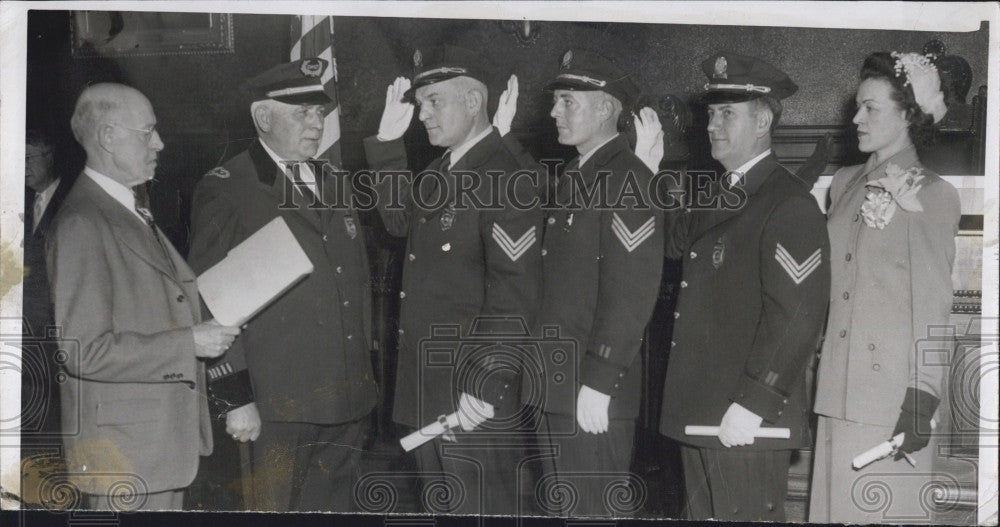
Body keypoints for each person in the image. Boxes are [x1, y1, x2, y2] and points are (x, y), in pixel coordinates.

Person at [187, 58, 378, 512]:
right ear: (263, 117)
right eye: (302, 114)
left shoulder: (335, 180)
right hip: (277, 403)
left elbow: (353, 283)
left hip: (345, 397)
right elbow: (207, 300)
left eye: (320, 114)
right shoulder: (229, 187)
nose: (316, 125)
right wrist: (235, 399)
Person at [364, 44, 543, 515]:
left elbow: (514, 295)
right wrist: (385, 149)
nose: (422, 114)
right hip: (429, 387)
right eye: (421, 103)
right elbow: (400, 222)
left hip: (472, 394)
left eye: (433, 101)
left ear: (472, 101)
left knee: (482, 510)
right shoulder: (443, 170)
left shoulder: (505, 176)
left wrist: (484, 385)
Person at [47, 83, 239, 510]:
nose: (160, 143)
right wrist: (190, 342)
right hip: (126, 455)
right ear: (109, 137)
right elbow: (85, 351)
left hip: (154, 447)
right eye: (147, 132)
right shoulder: (83, 222)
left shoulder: (126, 209)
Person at [656, 52, 830, 521]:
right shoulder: (720, 193)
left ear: (763, 120)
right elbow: (672, 245)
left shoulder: (787, 201)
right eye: (711, 113)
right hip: (701, 411)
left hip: (743, 420)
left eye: (727, 114)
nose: (712, 125)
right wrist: (646, 170)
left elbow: (799, 315)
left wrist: (756, 403)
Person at [809, 51, 960, 523]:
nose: (856, 118)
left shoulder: (933, 194)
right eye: (858, 106)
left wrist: (922, 398)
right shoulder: (844, 182)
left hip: (891, 399)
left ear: (908, 115)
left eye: (871, 108)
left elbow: (937, 306)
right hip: (834, 389)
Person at [518, 49, 663, 517]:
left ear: (605, 109)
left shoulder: (627, 179)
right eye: (556, 102)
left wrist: (600, 380)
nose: (554, 112)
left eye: (567, 101)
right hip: (557, 384)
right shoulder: (577, 176)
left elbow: (631, 292)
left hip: (589, 389)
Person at [22, 129, 71, 441]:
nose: (22, 165)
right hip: (28, 336)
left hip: (60, 337)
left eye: (29, 157)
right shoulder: (20, 201)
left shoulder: (74, 202)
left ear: (50, 156)